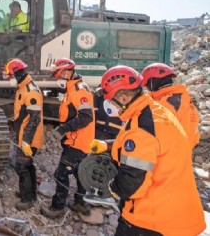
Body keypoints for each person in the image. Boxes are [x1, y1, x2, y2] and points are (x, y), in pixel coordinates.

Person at [98, 65, 206, 235]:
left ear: (124, 98)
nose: (112, 106)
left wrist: (112, 187)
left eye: (111, 101)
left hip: (152, 220)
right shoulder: (157, 112)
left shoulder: (141, 127)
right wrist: (109, 146)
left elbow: (132, 184)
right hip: (176, 212)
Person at [41, 57, 95, 218]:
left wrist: (63, 129)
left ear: (66, 72)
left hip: (78, 142)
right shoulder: (73, 88)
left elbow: (86, 117)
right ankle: (80, 203)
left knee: (61, 174)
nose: (57, 79)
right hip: (77, 140)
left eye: (58, 75)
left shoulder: (79, 91)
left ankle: (57, 208)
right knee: (80, 171)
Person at [2, 58, 44, 210]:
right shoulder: (23, 87)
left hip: (29, 139)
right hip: (23, 136)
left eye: (11, 76)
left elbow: (34, 119)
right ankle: (31, 193)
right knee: (28, 165)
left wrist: (26, 141)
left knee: (22, 166)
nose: (10, 79)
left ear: (17, 74)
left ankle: (27, 200)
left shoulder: (31, 92)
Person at [141, 62, 200, 148]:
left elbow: (157, 133)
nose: (146, 87)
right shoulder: (184, 98)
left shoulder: (165, 103)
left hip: (170, 153)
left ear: (153, 81)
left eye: (147, 84)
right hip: (185, 151)